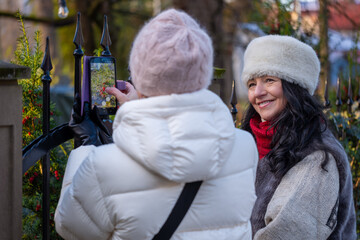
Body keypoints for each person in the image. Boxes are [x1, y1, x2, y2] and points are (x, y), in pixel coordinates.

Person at [55, 9, 258, 240]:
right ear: (202, 71)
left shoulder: (102, 166)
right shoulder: (244, 147)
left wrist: (85, 147)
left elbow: (68, 226)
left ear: (141, 76)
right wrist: (138, 104)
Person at [240, 35, 357, 239]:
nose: (257, 92)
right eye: (251, 84)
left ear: (294, 87)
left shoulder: (318, 157)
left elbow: (286, 233)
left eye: (269, 80)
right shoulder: (250, 144)